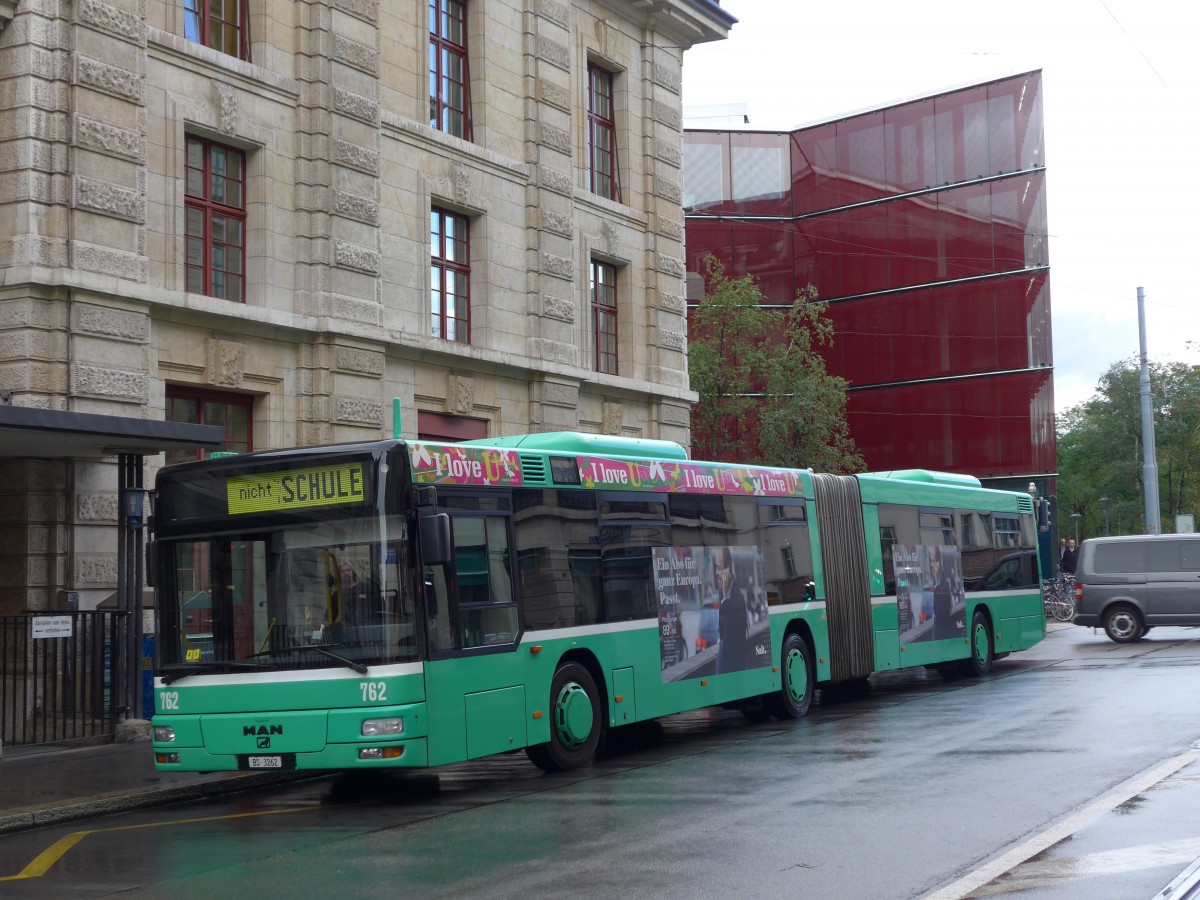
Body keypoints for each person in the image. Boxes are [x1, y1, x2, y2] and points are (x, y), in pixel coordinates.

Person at [716, 547, 749, 674]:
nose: (716, 572)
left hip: (732, 670)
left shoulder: (737, 599)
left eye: (719, 567)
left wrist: (724, 597)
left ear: (728, 570)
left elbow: (731, 643)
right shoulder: (721, 592)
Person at [930, 546, 957, 640]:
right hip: (938, 616)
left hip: (942, 617)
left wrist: (936, 577)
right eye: (931, 561)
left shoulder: (943, 578)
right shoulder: (933, 577)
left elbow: (942, 594)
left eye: (933, 561)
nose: (932, 565)